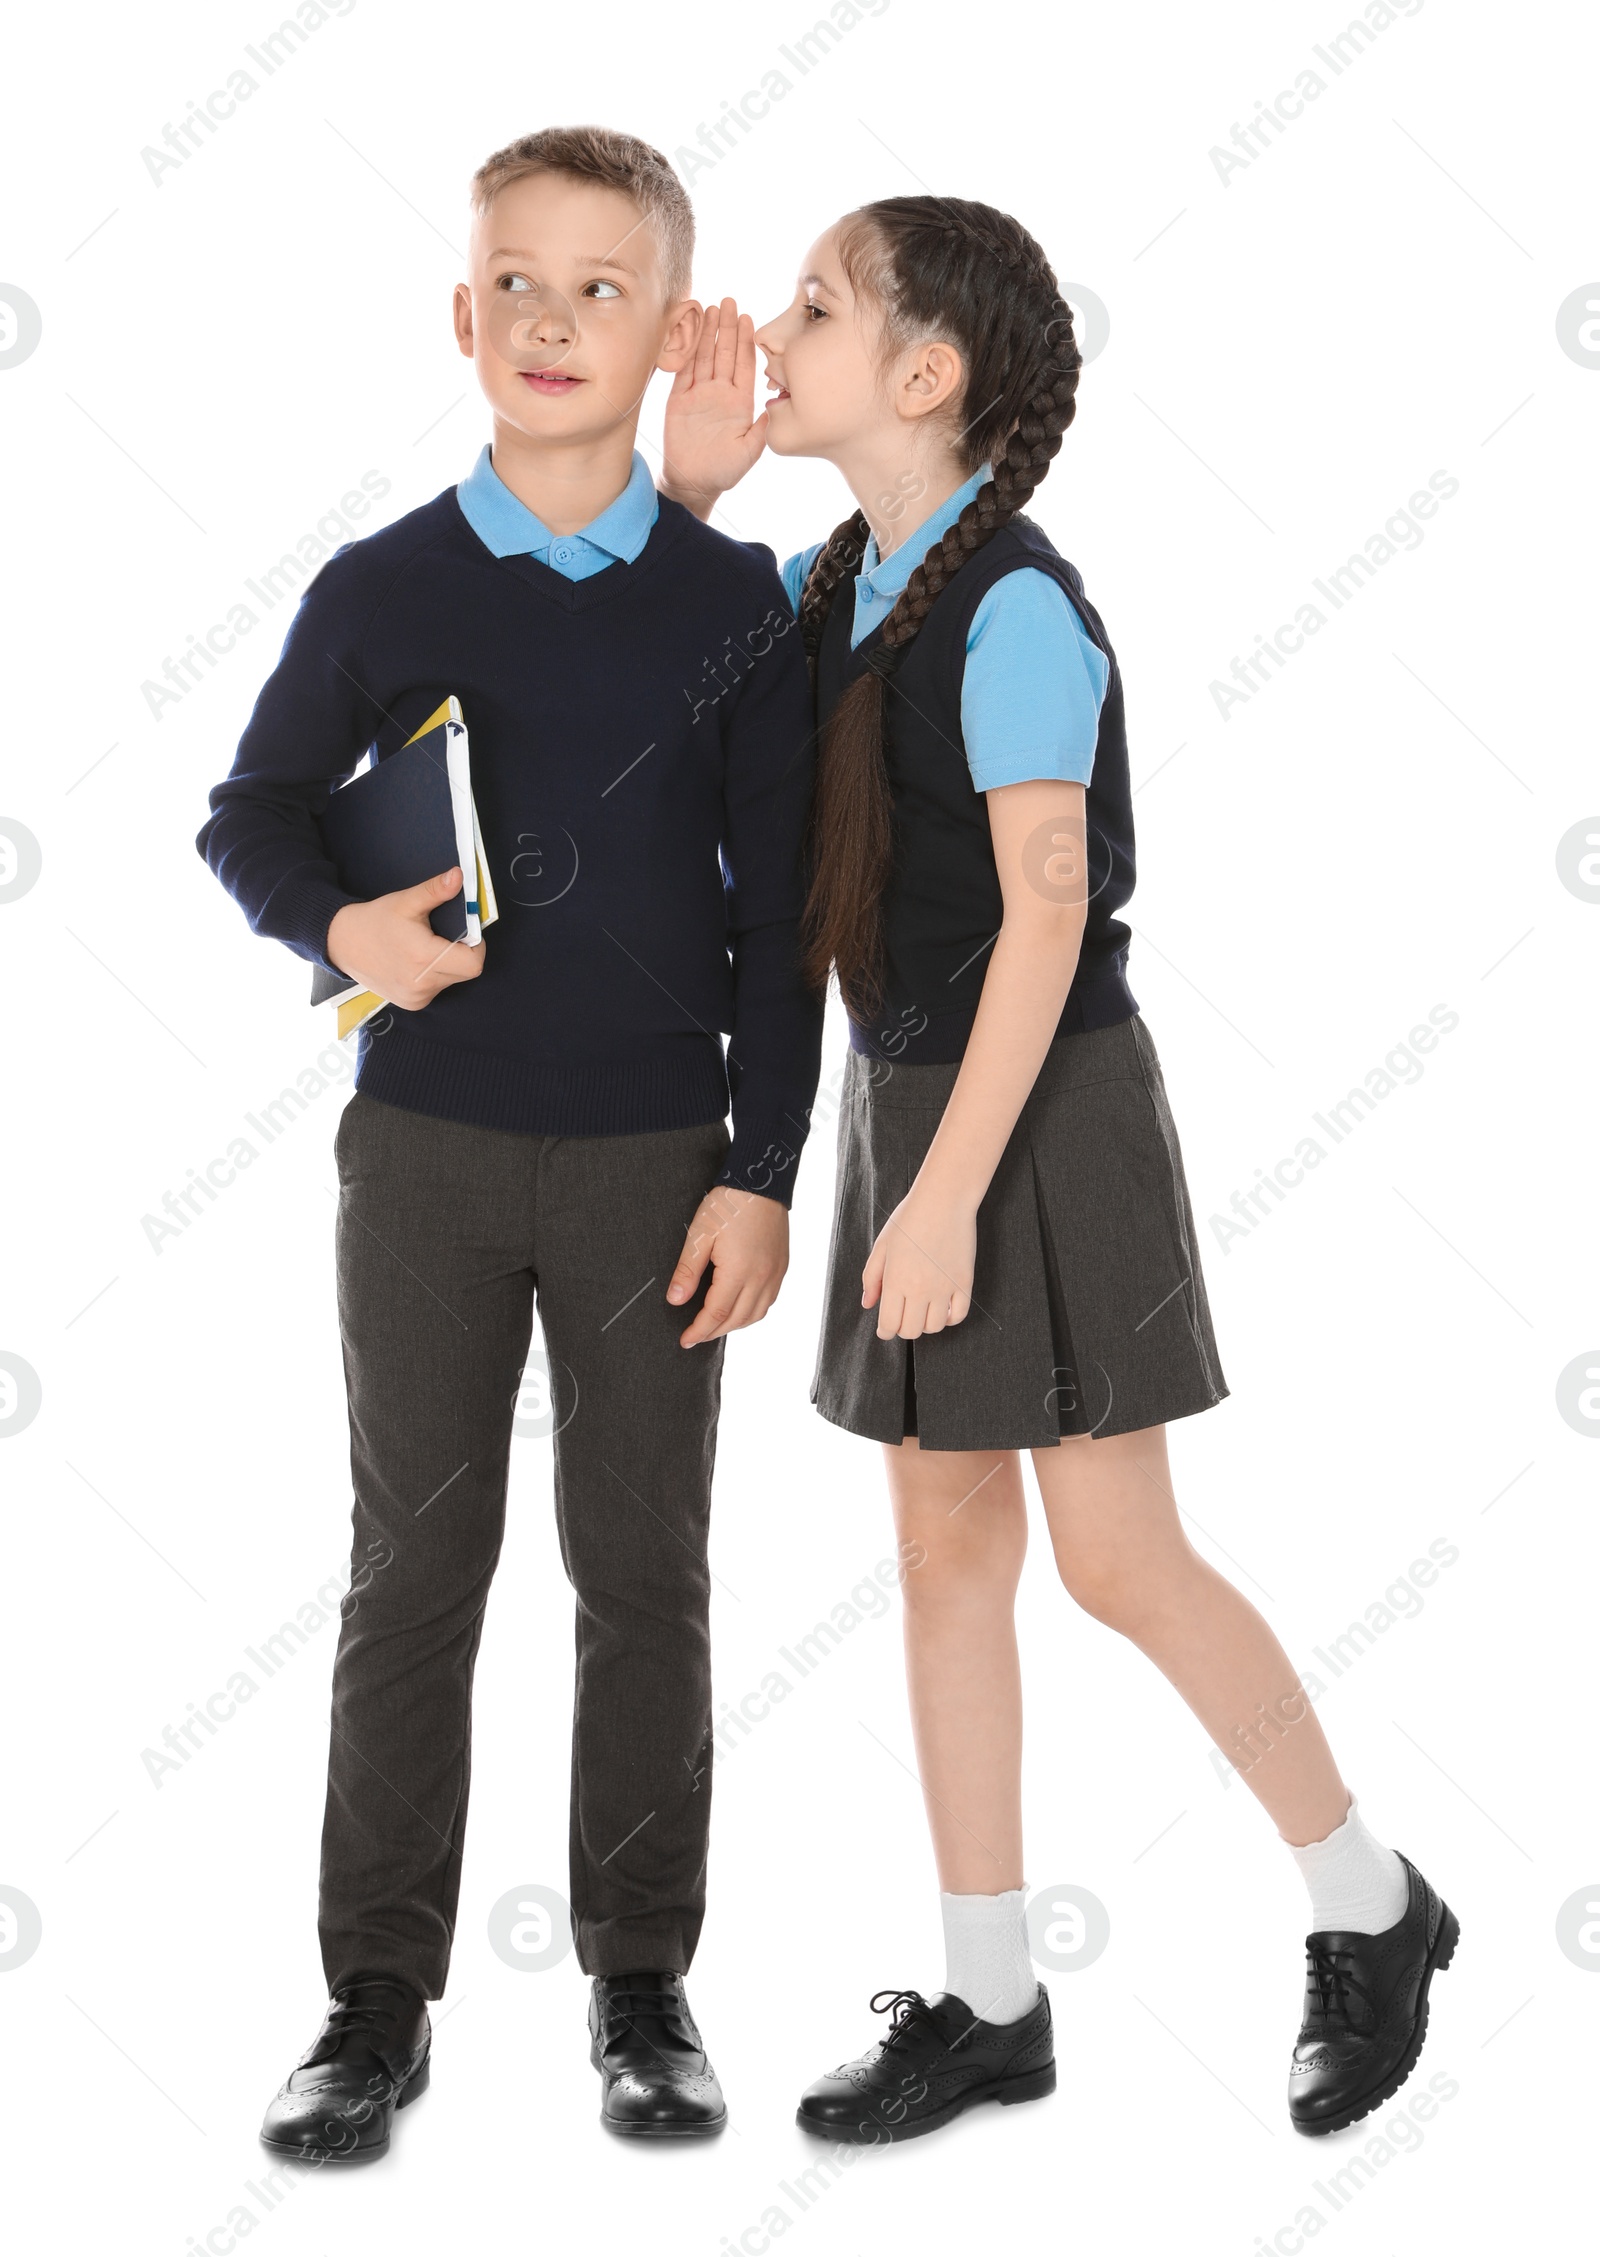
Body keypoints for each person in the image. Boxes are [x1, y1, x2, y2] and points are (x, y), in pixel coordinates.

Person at [659, 194, 1459, 2143]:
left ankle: (1370, 1905)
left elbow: (1040, 920)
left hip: (1038, 1108)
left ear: (920, 379)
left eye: (816, 306)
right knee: (939, 1552)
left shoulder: (1011, 605)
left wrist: (941, 1195)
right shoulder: (826, 579)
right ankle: (984, 1992)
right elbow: (650, 712)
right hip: (906, 1096)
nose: (768, 326)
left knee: (1114, 1556)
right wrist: (678, 512)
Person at [196, 125, 823, 2157]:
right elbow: (252, 815)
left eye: (600, 287)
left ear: (664, 336)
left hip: (659, 1165)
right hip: (431, 1162)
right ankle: (371, 2003)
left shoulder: (732, 600)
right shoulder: (381, 584)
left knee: (644, 1572)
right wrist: (339, 922)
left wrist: (761, 1168)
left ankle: (643, 1984)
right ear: (463, 314)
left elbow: (781, 911)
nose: (551, 320)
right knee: (414, 1573)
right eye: (516, 283)